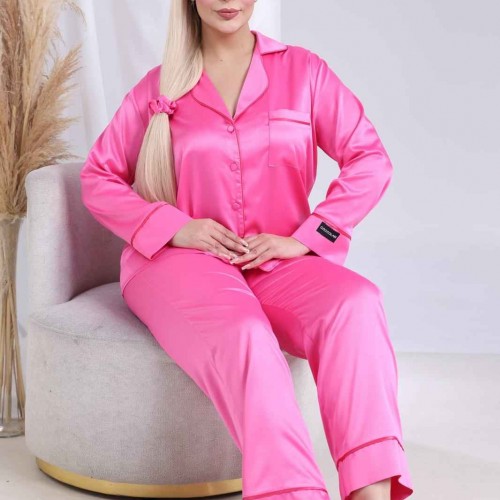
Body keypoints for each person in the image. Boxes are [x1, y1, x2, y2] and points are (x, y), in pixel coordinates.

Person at [80, 1, 415, 499]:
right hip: (178, 264)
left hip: (273, 260)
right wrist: (173, 226)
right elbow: (98, 177)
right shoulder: (159, 87)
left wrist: (309, 236)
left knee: (357, 303)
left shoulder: (304, 73)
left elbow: (369, 158)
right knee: (247, 333)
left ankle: (372, 491)